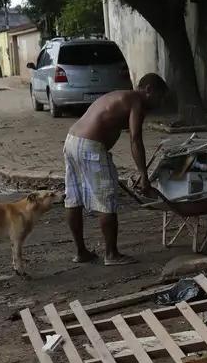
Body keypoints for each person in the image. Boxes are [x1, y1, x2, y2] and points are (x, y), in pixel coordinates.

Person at [64, 73, 168, 265]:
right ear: (148, 90)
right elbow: (135, 139)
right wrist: (144, 175)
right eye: (160, 97)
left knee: (74, 198)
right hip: (91, 147)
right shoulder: (137, 101)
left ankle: (81, 252)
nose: (161, 103)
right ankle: (111, 254)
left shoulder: (122, 96)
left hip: (72, 140)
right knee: (106, 199)